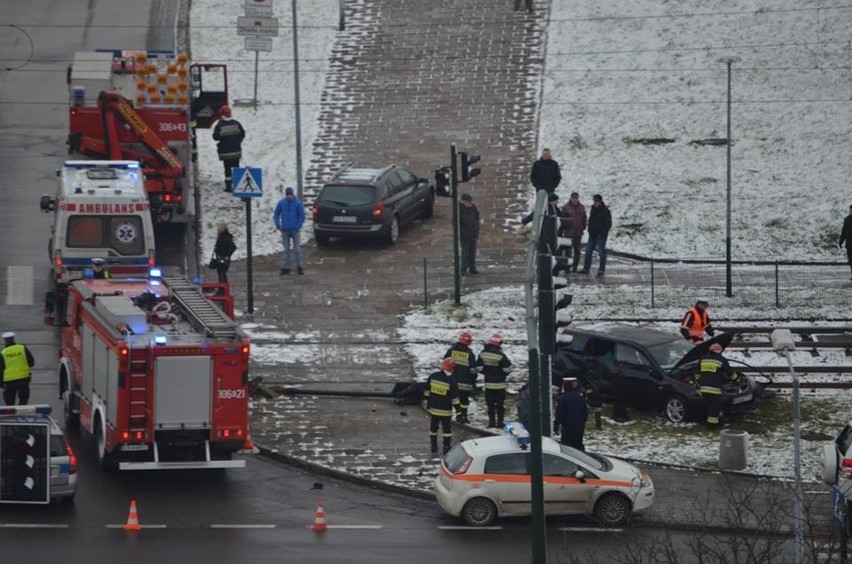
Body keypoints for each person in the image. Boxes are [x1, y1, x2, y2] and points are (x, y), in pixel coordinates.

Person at [424, 357, 460, 456]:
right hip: (445, 410)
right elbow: (455, 399)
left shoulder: (433, 376)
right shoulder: (452, 381)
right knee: (446, 430)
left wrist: (429, 402)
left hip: (434, 409)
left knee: (433, 428)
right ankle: (446, 447)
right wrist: (459, 410)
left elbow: (427, 392)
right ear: (452, 368)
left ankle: (433, 446)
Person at [443, 331, 479, 424]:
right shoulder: (470, 354)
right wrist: (473, 382)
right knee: (464, 401)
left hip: (452, 381)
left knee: (453, 399)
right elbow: (473, 370)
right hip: (465, 383)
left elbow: (445, 363)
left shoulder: (451, 350)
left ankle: (457, 415)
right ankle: (463, 416)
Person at [480, 333, 513, 428]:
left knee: (490, 405)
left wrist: (486, 372)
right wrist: (501, 373)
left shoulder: (483, 354)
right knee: (500, 405)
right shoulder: (501, 355)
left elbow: (478, 367)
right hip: (500, 385)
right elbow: (508, 369)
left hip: (488, 385)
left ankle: (491, 423)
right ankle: (500, 423)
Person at [698, 343, 733, 429]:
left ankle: (721, 420)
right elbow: (730, 372)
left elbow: (697, 374)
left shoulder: (702, 359)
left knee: (713, 405)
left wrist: (698, 382)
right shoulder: (721, 359)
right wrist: (737, 379)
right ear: (720, 351)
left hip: (703, 388)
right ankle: (711, 426)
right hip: (714, 389)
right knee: (714, 407)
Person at [212, 106, 245, 192]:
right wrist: (237, 142)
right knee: (236, 168)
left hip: (225, 153)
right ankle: (238, 185)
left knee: (227, 170)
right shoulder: (237, 123)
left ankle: (228, 187)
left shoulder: (219, 125)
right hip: (236, 151)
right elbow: (242, 134)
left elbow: (215, 137)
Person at [273, 187, 306, 275]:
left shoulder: (298, 204)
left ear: (293, 194)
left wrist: (297, 227)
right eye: (288, 195)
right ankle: (286, 267)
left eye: (290, 195)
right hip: (285, 230)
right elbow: (276, 214)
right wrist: (278, 225)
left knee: (297, 249)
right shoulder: (281, 203)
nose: (289, 197)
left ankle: (299, 267)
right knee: (286, 250)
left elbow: (302, 216)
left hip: (295, 230)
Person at [579, 194, 612, 277]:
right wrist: (589, 229)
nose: (595, 203)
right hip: (592, 234)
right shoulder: (593, 209)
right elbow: (591, 220)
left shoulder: (605, 211)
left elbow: (608, 224)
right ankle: (586, 268)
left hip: (601, 236)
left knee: (601, 252)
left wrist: (602, 234)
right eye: (595, 201)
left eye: (597, 201)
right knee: (588, 251)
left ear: (600, 202)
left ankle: (601, 270)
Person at [0, 332, 35, 406]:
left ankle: (11, 417)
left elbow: (1, 370)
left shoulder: (2, 353)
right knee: (23, 401)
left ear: (5, 340)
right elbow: (31, 362)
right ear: (13, 339)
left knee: (9, 404)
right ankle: (21, 415)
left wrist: (1, 385)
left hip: (8, 382)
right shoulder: (22, 348)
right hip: (23, 380)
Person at [554, 377, 588, 451]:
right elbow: (585, 411)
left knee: (567, 444)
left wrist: (556, 425)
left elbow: (560, 413)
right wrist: (582, 421)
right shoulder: (579, 397)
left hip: (568, 426)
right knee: (578, 442)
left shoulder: (563, 398)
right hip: (579, 425)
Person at [561, 192, 587, 272]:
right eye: (573, 198)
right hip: (569, 233)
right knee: (568, 252)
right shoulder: (566, 207)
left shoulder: (581, 207)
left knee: (577, 251)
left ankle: (575, 267)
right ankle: (567, 267)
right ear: (571, 198)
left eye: (576, 198)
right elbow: (563, 219)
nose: (575, 200)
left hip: (578, 233)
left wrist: (583, 227)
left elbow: (584, 218)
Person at [459, 193, 480, 275]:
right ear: (464, 202)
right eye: (468, 202)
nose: (470, 204)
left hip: (473, 234)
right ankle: (463, 269)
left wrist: (476, 231)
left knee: (472, 252)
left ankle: (472, 268)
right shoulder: (460, 210)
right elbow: (457, 225)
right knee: (466, 253)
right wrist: (465, 234)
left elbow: (476, 218)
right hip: (465, 236)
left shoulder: (473, 208)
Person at [840, 204, 852, 280]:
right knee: (851, 260)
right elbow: (843, 231)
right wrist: (841, 241)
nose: (850, 211)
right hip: (849, 244)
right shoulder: (847, 220)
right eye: (850, 210)